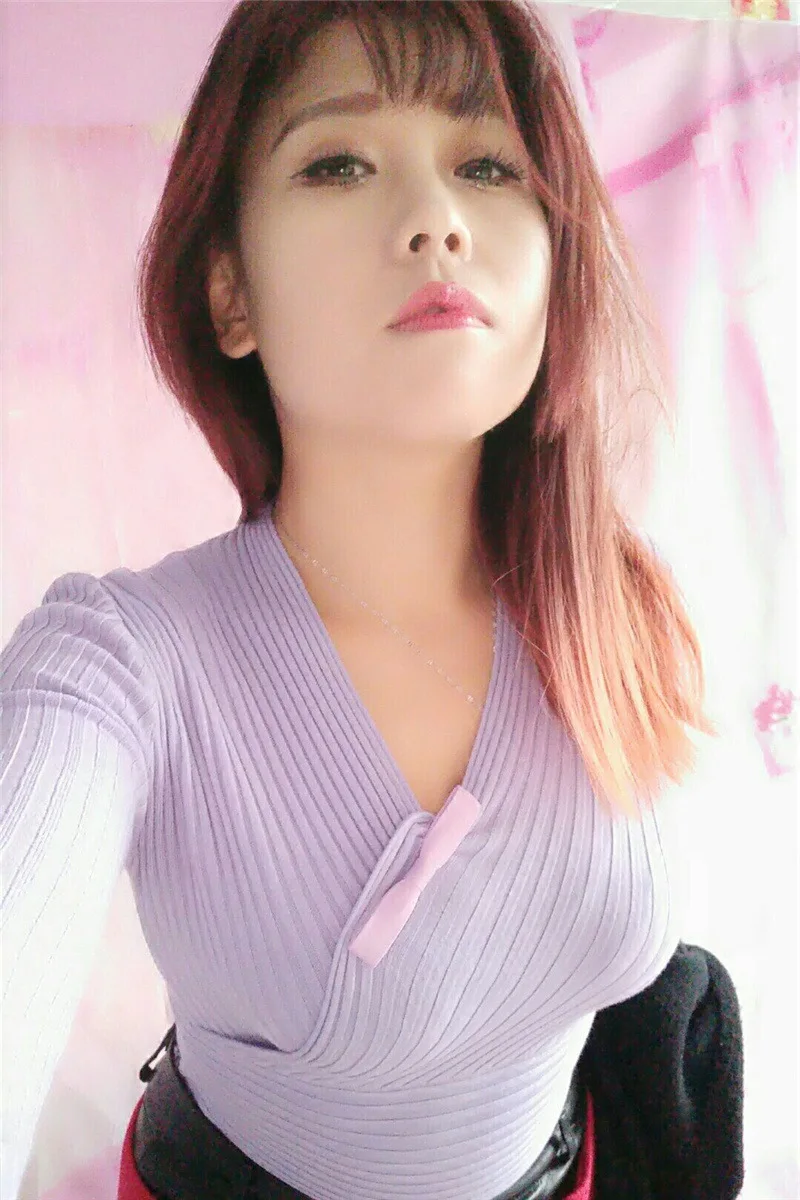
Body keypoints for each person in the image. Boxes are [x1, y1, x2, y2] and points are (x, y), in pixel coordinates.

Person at [0, 3, 724, 1199]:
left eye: (487, 165)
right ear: (229, 294)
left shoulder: (612, 590)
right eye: (338, 162)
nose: (437, 217)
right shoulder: (120, 663)